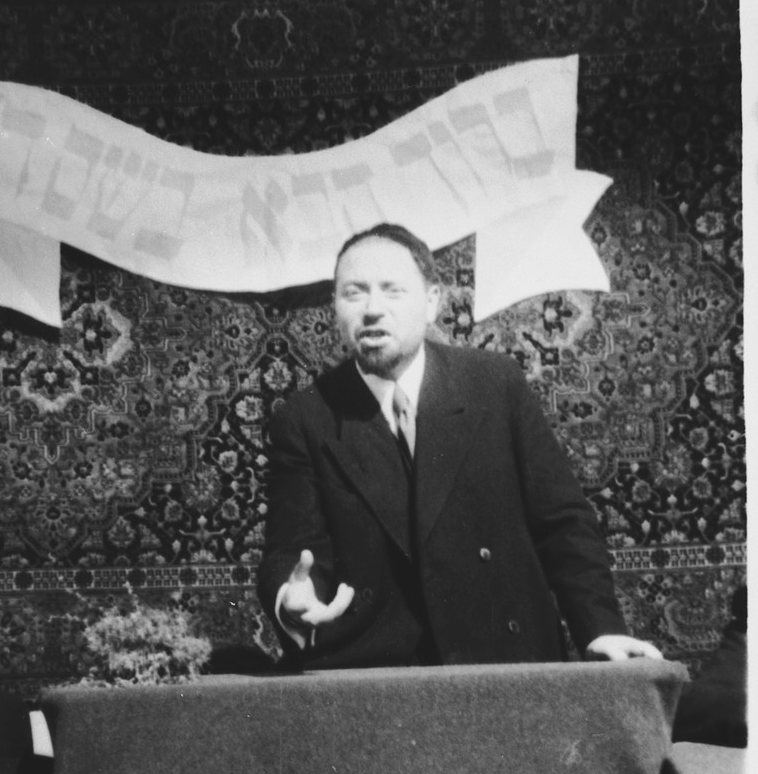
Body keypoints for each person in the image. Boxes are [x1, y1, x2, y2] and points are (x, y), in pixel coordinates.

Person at [257, 222, 663, 670]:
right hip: (376, 675)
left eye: (392, 290)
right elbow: (292, 546)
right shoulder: (305, 418)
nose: (372, 310)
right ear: (335, 307)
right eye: (353, 293)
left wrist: (599, 627)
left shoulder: (494, 385)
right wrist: (290, 596)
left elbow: (562, 522)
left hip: (506, 661)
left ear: (431, 302)